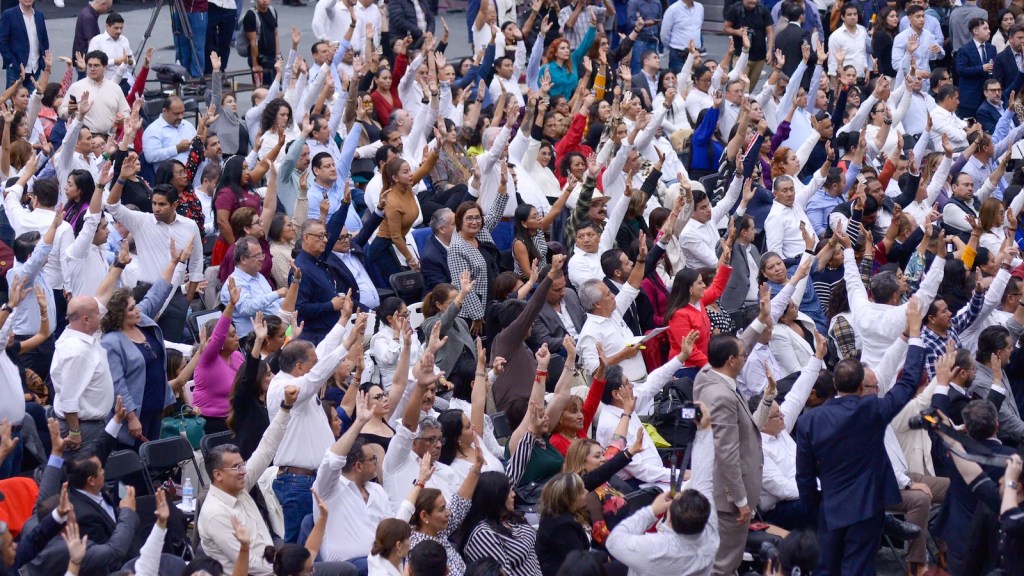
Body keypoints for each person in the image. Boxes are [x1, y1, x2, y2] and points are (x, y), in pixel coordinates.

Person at [795, 300, 926, 575]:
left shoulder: (809, 420)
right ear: (860, 386)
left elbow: (804, 475)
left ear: (834, 385)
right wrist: (915, 336)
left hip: (829, 506)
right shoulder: (872, 409)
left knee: (826, 569)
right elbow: (908, 381)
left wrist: (813, 507)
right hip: (866, 508)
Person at [604, 401, 717, 575]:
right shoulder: (710, 534)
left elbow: (614, 542)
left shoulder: (656, 550)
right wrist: (705, 431)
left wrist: (651, 511)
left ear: (669, 516)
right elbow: (704, 477)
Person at [198, 385, 299, 576]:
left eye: (242, 465)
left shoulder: (239, 485)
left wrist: (285, 407)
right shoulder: (215, 513)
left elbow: (266, 448)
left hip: (274, 561)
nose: (243, 471)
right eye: (236, 467)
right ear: (218, 474)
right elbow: (250, 564)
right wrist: (288, 569)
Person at [105, 155, 205, 343]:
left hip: (176, 298)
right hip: (145, 293)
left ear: (175, 204)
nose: (156, 209)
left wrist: (188, 297)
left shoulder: (190, 226)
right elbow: (112, 206)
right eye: (154, 204)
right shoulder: (142, 221)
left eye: (162, 205)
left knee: (172, 351)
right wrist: (121, 179)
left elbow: (197, 263)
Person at [100, 243, 187, 447]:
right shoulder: (111, 342)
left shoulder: (140, 319)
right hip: (137, 413)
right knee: (137, 464)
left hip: (157, 405)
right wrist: (131, 418)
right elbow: (118, 386)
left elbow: (156, 293)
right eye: (131, 308)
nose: (137, 310)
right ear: (119, 314)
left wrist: (174, 263)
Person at [692, 333, 763, 575]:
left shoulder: (705, 377)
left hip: (717, 491)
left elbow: (741, 341)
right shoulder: (722, 396)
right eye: (743, 356)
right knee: (724, 565)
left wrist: (762, 320)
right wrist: (740, 500)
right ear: (731, 360)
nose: (746, 359)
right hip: (728, 498)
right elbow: (727, 452)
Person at [193, 278, 244, 435]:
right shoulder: (208, 359)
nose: (237, 338)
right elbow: (218, 336)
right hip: (213, 423)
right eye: (232, 335)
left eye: (236, 333)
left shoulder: (237, 356)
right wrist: (231, 305)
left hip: (236, 417)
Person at [60, 51, 129, 133]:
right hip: (85, 140)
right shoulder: (76, 87)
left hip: (108, 139)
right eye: (89, 65)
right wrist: (70, 110)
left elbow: (126, 111)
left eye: (96, 65)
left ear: (104, 67)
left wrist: (122, 118)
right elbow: (61, 112)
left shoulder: (115, 88)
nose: (92, 69)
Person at [954, 18, 997, 118]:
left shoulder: (992, 48)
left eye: (989, 28)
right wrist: (981, 68)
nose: (989, 31)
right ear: (975, 31)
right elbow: (961, 70)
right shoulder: (964, 50)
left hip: (987, 97)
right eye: (985, 28)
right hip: (970, 98)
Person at [0, 0, 47, 89]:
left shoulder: (39, 15)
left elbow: (44, 39)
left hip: (35, 69)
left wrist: (43, 61)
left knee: (33, 100)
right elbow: (2, 41)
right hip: (16, 69)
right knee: (12, 101)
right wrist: (10, 62)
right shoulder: (9, 15)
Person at [143, 96, 198, 166]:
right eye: (176, 114)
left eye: (182, 113)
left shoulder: (187, 124)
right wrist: (176, 149)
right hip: (174, 175)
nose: (180, 117)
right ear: (165, 111)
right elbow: (150, 157)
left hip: (196, 169)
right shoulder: (153, 130)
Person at [242, 0, 279, 87]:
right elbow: (253, 41)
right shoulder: (251, 15)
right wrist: (255, 64)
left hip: (272, 58)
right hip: (260, 59)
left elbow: (276, 35)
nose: (264, 0)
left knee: (276, 87)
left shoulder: (273, 11)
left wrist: (278, 55)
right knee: (262, 90)